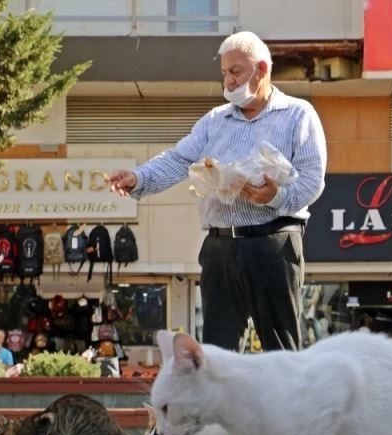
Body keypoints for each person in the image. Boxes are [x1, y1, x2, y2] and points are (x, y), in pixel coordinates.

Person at [108, 31, 327, 352]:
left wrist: (275, 197)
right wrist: (138, 178)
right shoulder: (214, 121)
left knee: (281, 348)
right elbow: (179, 159)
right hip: (219, 246)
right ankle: (220, 404)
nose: (228, 80)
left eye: (236, 71)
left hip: (273, 243)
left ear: (262, 69)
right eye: (224, 72)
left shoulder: (298, 114)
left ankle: (290, 402)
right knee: (215, 351)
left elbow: (312, 180)